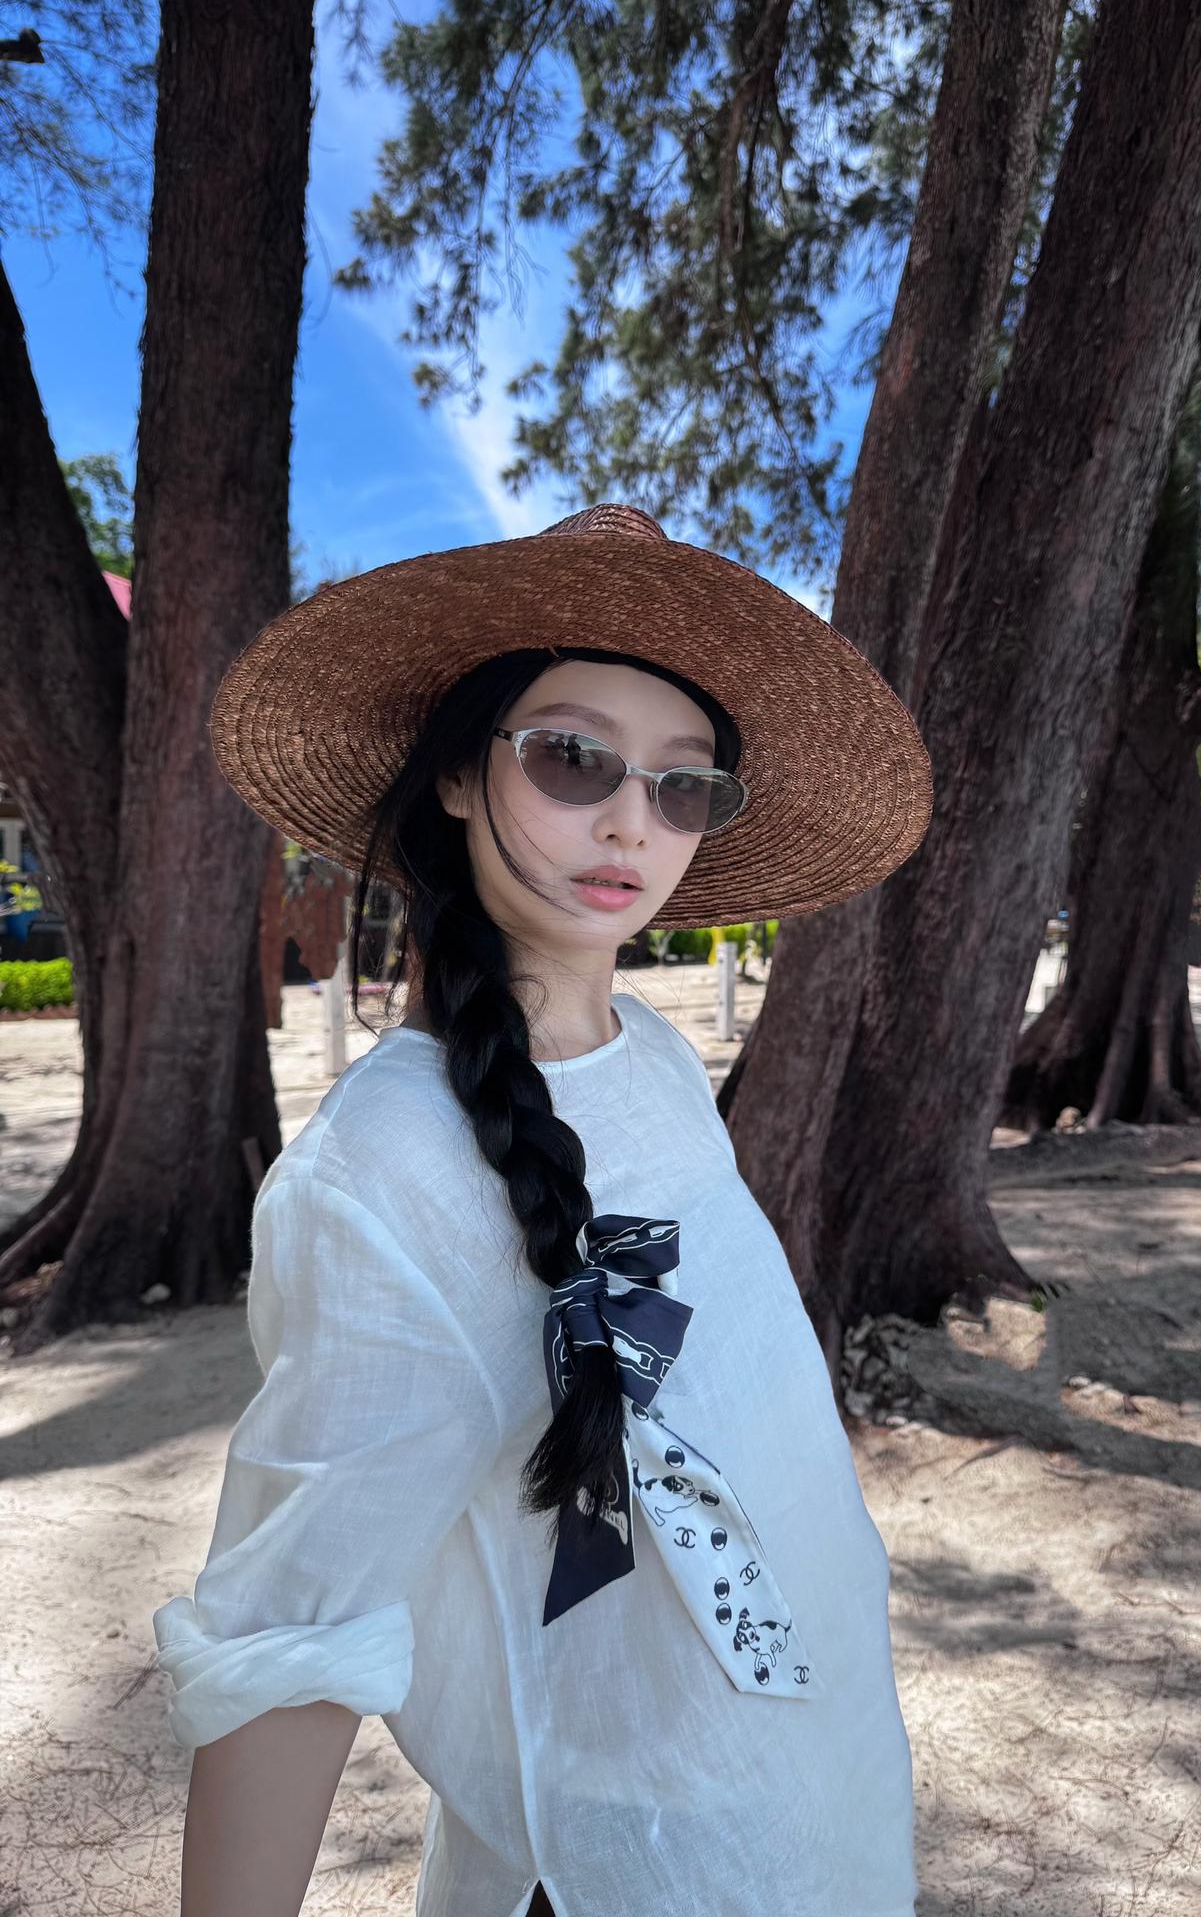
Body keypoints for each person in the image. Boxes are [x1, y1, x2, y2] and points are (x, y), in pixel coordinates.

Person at [152, 503, 934, 1917]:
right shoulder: (384, 1174)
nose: (633, 820)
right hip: (603, 1862)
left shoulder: (660, 1063)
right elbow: (289, 1630)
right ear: (459, 772)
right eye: (575, 759)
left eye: (685, 786)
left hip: (810, 1808)